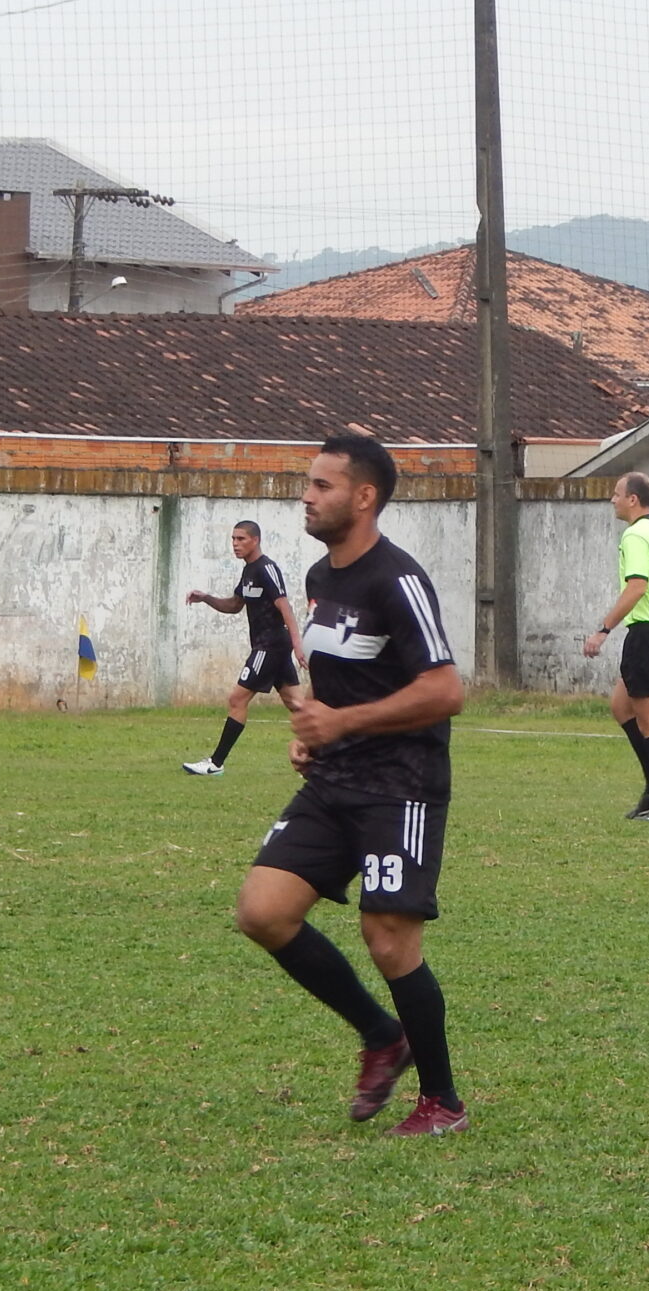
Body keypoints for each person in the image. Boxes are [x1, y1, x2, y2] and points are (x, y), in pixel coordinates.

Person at [232, 434, 469, 1136]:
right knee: (263, 911)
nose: (307, 495)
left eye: (323, 485)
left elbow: (446, 690)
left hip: (403, 783)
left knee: (389, 938)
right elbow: (337, 687)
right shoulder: (318, 576)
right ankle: (379, 1035)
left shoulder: (397, 580)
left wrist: (346, 723)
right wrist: (314, 735)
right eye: (308, 483)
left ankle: (443, 1101)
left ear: (364, 497)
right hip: (336, 777)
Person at [583, 472, 649, 822]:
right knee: (621, 706)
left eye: (616, 494)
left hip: (648, 633)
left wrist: (603, 630)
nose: (612, 500)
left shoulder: (636, 535)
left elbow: (637, 586)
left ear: (632, 499)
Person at [181, 520, 303, 774]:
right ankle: (340, 754)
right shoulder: (248, 571)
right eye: (233, 539)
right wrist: (205, 598)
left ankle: (215, 764)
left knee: (237, 698)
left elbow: (284, 605)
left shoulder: (266, 569)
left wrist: (297, 642)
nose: (235, 544)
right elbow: (235, 605)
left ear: (255, 540)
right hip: (270, 646)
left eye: (241, 539)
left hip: (269, 645)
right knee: (297, 705)